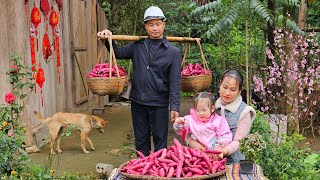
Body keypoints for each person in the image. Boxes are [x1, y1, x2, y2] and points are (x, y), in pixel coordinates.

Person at [97, 6, 182, 156]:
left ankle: (159, 172)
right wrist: (107, 39)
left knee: (160, 140)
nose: (154, 28)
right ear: (145, 26)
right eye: (151, 24)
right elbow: (118, 53)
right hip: (138, 102)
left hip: (159, 103)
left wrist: (174, 106)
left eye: (158, 24)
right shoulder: (138, 45)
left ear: (164, 24)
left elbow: (175, 82)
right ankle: (141, 170)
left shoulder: (173, 52)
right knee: (141, 140)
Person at [187, 70, 256, 163]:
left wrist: (223, 151)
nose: (227, 93)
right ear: (220, 84)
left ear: (239, 91)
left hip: (234, 162)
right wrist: (192, 143)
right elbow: (193, 127)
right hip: (206, 160)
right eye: (225, 87)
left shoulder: (245, 111)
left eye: (233, 90)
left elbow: (238, 141)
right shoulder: (210, 106)